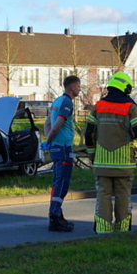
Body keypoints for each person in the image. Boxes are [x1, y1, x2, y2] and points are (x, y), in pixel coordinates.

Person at [84, 72, 137, 233]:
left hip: (102, 162)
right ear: (125, 88)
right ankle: (122, 229)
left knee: (103, 195)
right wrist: (127, 134)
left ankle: (103, 229)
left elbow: (88, 133)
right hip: (124, 162)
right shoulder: (130, 107)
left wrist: (92, 155)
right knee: (123, 195)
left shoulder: (98, 106)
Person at [42, 75, 81, 231]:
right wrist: (50, 139)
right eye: (78, 86)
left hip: (57, 148)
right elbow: (56, 126)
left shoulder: (57, 101)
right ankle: (55, 217)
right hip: (63, 147)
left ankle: (58, 215)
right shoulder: (66, 103)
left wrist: (47, 141)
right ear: (72, 87)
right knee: (62, 183)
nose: (79, 89)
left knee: (57, 182)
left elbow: (47, 123)